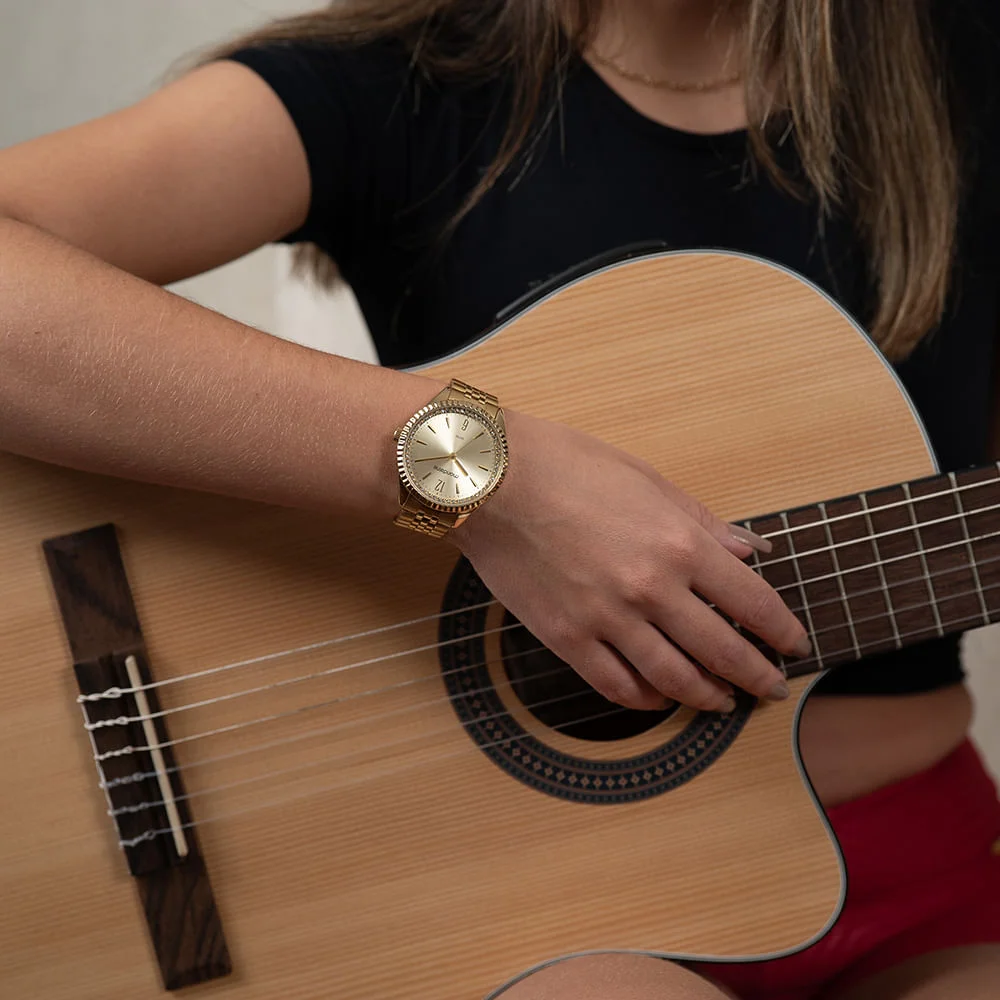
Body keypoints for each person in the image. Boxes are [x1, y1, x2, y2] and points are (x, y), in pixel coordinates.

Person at [1, 0, 998, 996]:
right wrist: (487, 478)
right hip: (531, 917)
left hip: (922, 875)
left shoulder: (966, 65)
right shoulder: (402, 78)